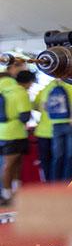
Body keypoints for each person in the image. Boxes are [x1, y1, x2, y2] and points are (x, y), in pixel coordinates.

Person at [36, 78, 72, 181]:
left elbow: (44, 105)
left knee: (57, 157)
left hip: (56, 125)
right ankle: (68, 185)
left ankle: (55, 185)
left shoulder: (51, 85)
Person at [0, 66, 35, 204]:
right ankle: (10, 194)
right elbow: (25, 116)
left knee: (8, 164)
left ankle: (8, 193)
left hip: (2, 132)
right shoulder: (19, 91)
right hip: (15, 133)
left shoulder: (2, 90)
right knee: (12, 165)